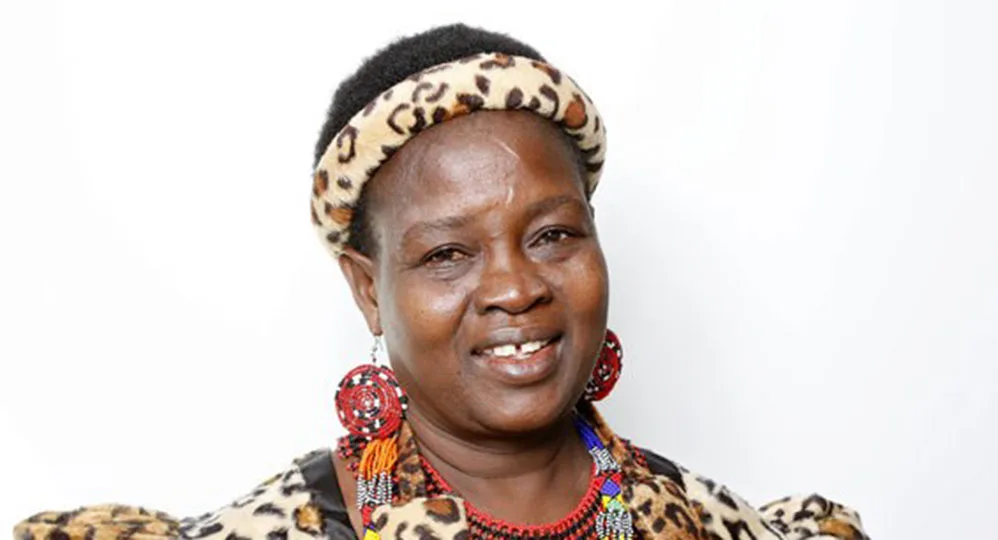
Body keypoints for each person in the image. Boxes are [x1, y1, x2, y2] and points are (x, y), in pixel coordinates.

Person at [13, 24, 869, 540]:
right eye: (447, 254)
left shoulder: (716, 525)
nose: (515, 288)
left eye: (554, 234)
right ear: (365, 287)